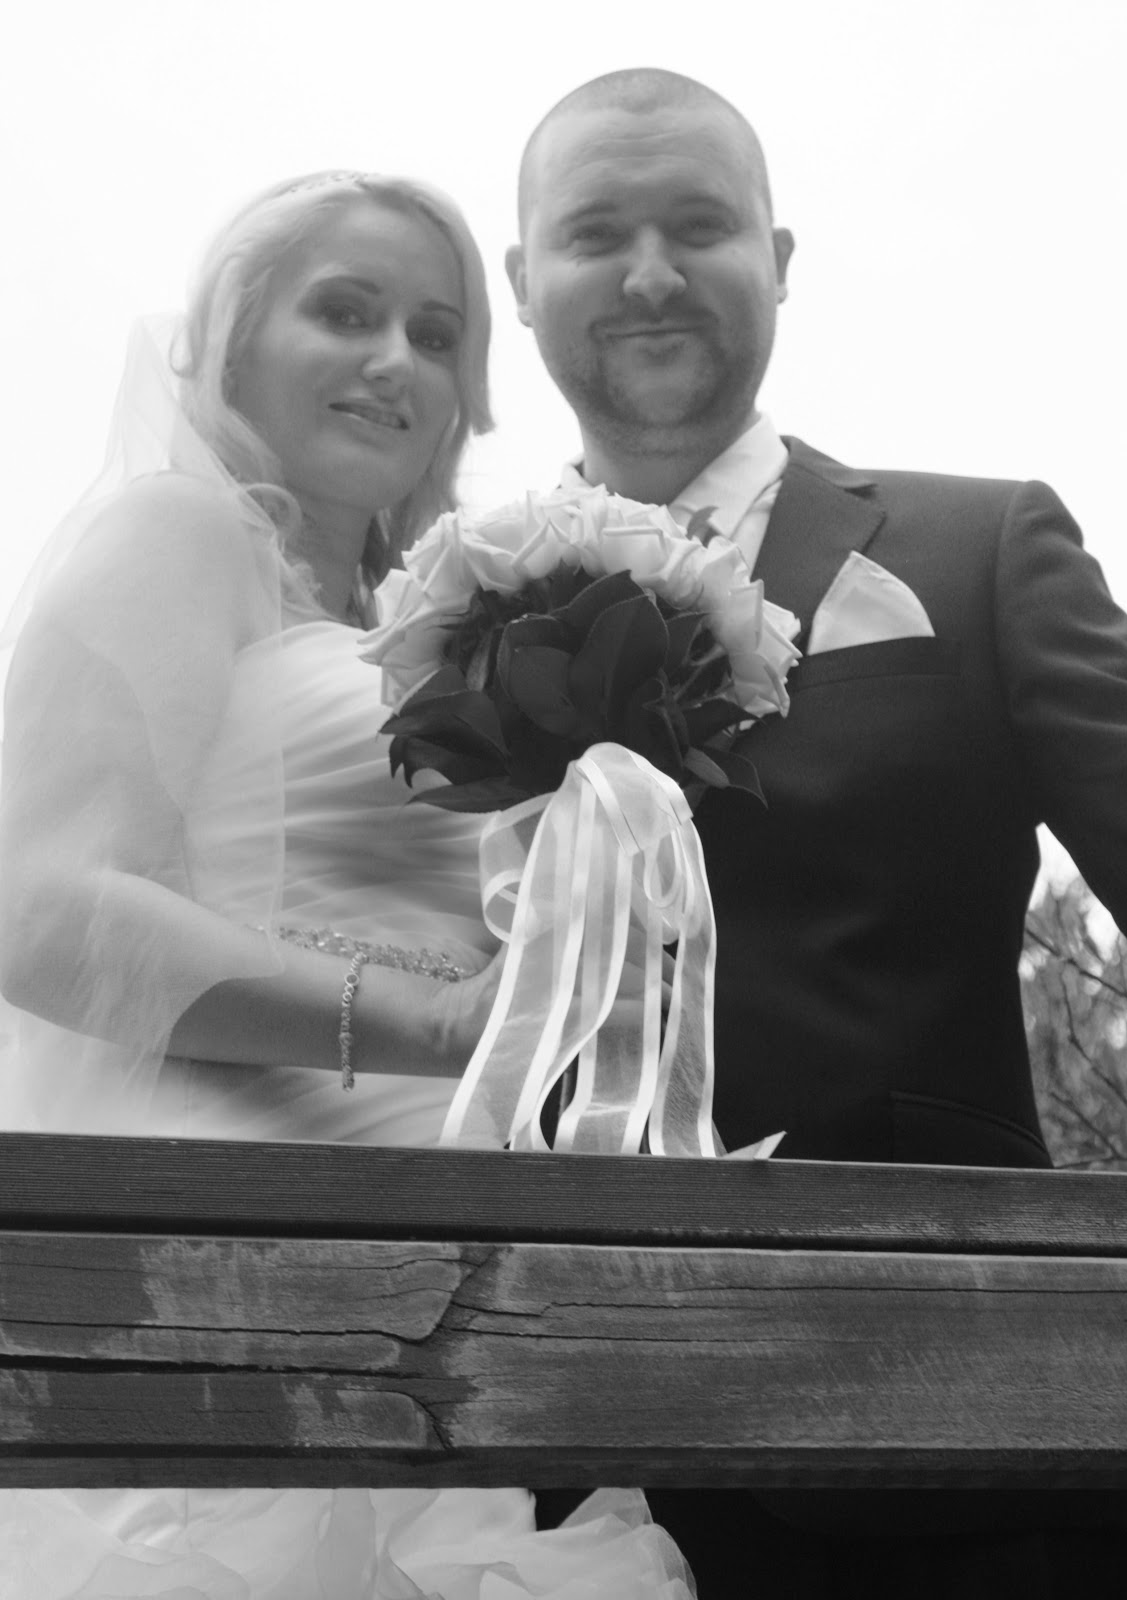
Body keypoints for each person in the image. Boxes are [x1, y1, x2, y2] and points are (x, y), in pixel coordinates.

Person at [0, 171, 695, 1599]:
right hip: (214, 1268)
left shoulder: (409, 637)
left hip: (416, 1286)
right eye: (345, 312)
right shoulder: (180, 535)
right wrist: (442, 1026)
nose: (396, 361)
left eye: (437, 335)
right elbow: (36, 905)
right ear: (233, 340)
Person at [505, 67, 1127, 1598]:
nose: (650, 272)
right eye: (596, 233)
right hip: (543, 1451)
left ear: (778, 259)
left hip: (950, 1436)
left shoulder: (979, 546)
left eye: (699, 224)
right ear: (524, 282)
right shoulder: (450, 617)